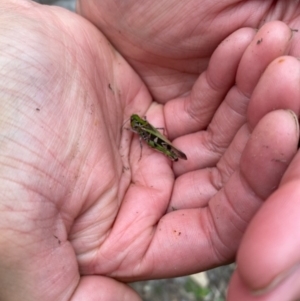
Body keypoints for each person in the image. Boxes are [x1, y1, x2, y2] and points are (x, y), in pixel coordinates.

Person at [0, 0, 300, 300]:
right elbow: (136, 131)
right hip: (153, 132)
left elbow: (144, 135)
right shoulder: (136, 125)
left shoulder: (140, 127)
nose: (133, 126)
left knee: (158, 142)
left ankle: (173, 154)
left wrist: (151, 140)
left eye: (134, 123)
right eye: (133, 124)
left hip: (159, 140)